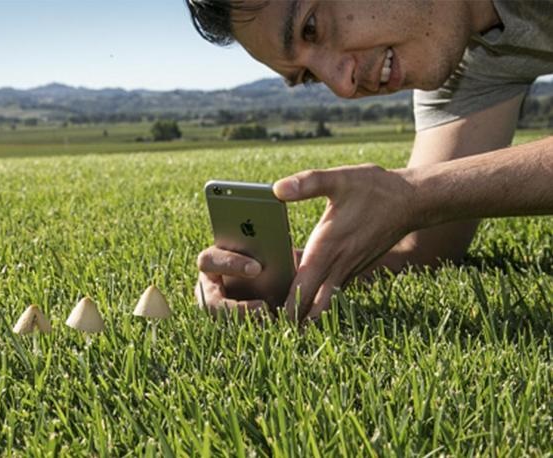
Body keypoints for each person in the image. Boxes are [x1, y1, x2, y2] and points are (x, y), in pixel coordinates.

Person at [186, 0, 553, 321]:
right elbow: (424, 248)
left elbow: (423, 196)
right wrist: (301, 273)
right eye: (310, 76)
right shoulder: (463, 57)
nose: (343, 88)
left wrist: (415, 195)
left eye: (311, 27)